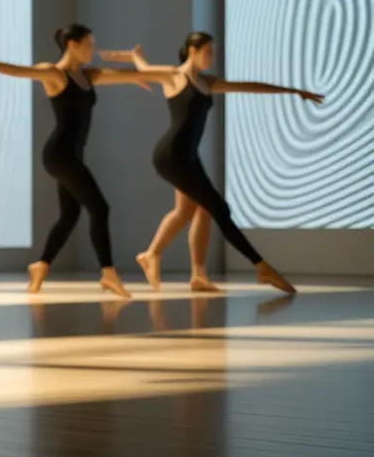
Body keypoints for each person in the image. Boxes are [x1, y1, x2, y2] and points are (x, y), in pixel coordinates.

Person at [102, 34, 321, 294]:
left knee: (190, 211)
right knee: (219, 208)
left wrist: (293, 92)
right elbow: (143, 70)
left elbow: (248, 86)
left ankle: (176, 267)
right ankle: (261, 266)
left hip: (189, 157)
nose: (211, 57)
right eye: (207, 51)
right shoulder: (173, 75)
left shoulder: (208, 82)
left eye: (212, 52)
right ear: (192, 50)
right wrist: (131, 56)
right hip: (171, 155)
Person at [0, 23, 151, 298]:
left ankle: (41, 266)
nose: (92, 50)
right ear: (72, 44)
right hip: (59, 154)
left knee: (70, 215)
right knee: (100, 207)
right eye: (89, 45)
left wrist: (135, 65)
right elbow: (16, 70)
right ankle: (108, 273)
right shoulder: (54, 74)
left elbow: (127, 76)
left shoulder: (90, 75)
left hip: (72, 155)